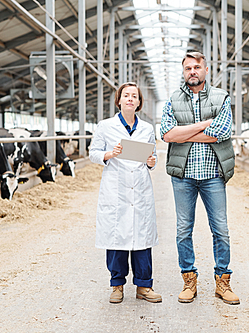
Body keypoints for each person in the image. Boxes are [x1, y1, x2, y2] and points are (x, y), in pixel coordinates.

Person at [160, 52, 239, 305]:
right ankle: (189, 281)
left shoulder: (221, 97)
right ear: (183, 72)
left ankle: (223, 282)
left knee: (221, 230)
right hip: (183, 175)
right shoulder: (173, 99)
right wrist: (205, 124)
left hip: (213, 174)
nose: (192, 71)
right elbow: (167, 134)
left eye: (196, 67)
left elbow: (223, 132)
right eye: (187, 68)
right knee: (184, 229)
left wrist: (184, 133)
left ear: (206, 69)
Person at [89, 82, 161, 304]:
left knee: (142, 240)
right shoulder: (105, 126)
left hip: (139, 188)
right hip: (116, 188)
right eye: (126, 95)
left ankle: (144, 286)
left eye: (134, 96)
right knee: (116, 238)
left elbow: (153, 157)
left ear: (139, 103)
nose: (130, 99)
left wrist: (151, 162)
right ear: (119, 100)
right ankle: (117, 285)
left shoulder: (147, 129)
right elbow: (93, 153)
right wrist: (110, 154)